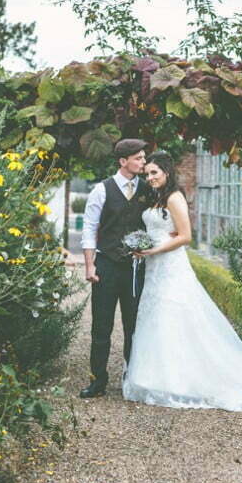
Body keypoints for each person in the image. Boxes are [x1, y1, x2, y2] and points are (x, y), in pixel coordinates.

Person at [122, 150, 242, 414]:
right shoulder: (157, 198)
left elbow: (185, 237)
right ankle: (154, 376)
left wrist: (154, 250)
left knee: (172, 315)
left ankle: (178, 379)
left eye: (154, 173)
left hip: (170, 266)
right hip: (155, 269)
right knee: (155, 316)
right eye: (147, 174)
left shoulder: (174, 197)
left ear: (166, 172)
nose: (150, 178)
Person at [79, 139, 150, 398]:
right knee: (101, 327)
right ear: (123, 161)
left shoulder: (148, 189)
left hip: (135, 268)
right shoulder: (102, 190)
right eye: (138, 158)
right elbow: (89, 228)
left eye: (143, 157)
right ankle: (97, 381)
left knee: (134, 327)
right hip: (106, 265)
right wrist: (90, 266)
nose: (143, 162)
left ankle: (132, 380)